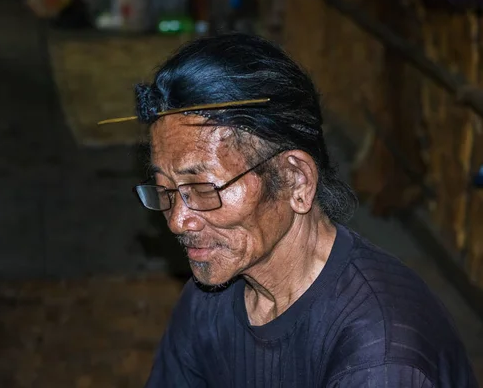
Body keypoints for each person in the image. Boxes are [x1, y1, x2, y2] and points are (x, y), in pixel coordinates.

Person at [107, 33, 478, 387]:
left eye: (203, 188)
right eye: (165, 189)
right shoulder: (209, 300)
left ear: (296, 180)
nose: (177, 220)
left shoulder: (380, 357)